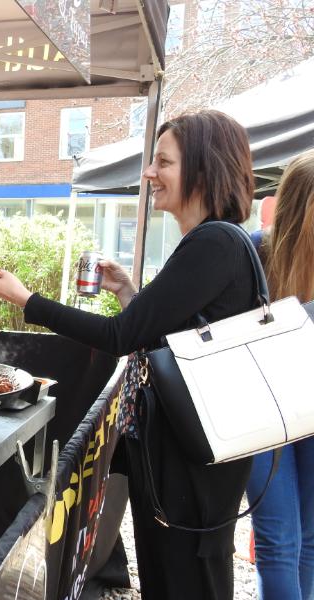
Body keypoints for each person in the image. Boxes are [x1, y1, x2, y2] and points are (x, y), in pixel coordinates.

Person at [0, 110, 257, 600]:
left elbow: (120, 336)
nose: (149, 173)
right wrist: (130, 293)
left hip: (191, 465)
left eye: (164, 161)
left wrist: (25, 300)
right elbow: (165, 333)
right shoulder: (213, 241)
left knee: (187, 583)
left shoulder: (214, 242)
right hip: (188, 459)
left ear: (202, 169)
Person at [246, 150, 314, 600]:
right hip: (270, 407)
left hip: (282, 406)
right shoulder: (254, 249)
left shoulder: (254, 249)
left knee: (294, 541)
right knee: (290, 541)